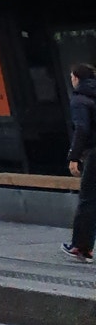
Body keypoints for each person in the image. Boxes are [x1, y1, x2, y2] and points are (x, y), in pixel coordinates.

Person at [64, 63, 96, 262]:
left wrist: (73, 156)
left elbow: (82, 129)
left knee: (88, 199)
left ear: (76, 78)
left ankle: (81, 247)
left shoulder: (79, 100)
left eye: (71, 77)